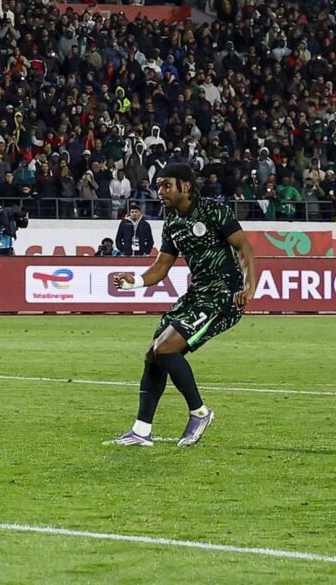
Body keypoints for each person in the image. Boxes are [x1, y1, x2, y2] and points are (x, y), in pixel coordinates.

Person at [109, 162, 255, 447]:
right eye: (159, 185)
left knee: (166, 348)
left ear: (185, 186)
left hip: (223, 297)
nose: (159, 190)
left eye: (166, 185)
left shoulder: (213, 211)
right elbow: (162, 265)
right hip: (197, 295)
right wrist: (135, 282)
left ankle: (199, 413)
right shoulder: (172, 221)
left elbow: (244, 248)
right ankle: (141, 431)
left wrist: (248, 286)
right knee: (154, 354)